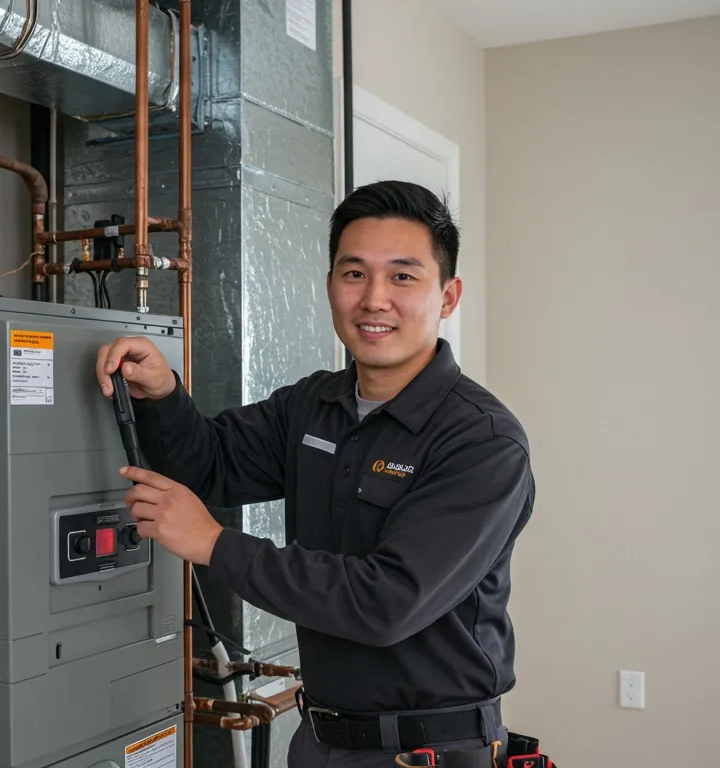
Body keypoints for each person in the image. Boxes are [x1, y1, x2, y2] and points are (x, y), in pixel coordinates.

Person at [95, 180, 536, 768]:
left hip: (430, 751)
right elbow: (212, 464)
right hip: (318, 742)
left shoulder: (481, 441)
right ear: (331, 286)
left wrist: (214, 544)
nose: (374, 298)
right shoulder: (314, 404)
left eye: (402, 276)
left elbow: (385, 602)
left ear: (447, 296)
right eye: (354, 274)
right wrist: (162, 394)